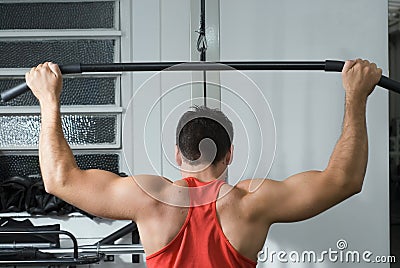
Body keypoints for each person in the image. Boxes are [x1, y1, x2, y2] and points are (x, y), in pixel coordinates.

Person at [25, 59, 382, 267]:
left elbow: (60, 180)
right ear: (229, 154)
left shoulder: (148, 199)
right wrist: (356, 95)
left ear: (178, 154)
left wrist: (48, 100)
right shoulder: (252, 203)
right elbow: (344, 180)